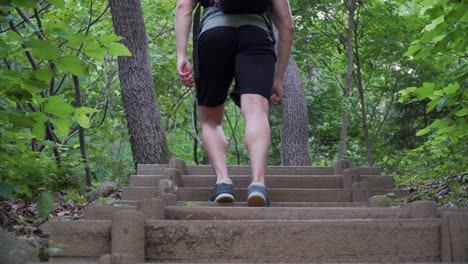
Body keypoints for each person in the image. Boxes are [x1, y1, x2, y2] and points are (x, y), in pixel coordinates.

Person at [175, 0, 294, 206]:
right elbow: (287, 26)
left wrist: (181, 55)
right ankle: (258, 184)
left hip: (213, 36)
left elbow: (183, 7)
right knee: (257, 112)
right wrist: (278, 77)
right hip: (256, 37)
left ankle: (222, 182)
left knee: (211, 119)